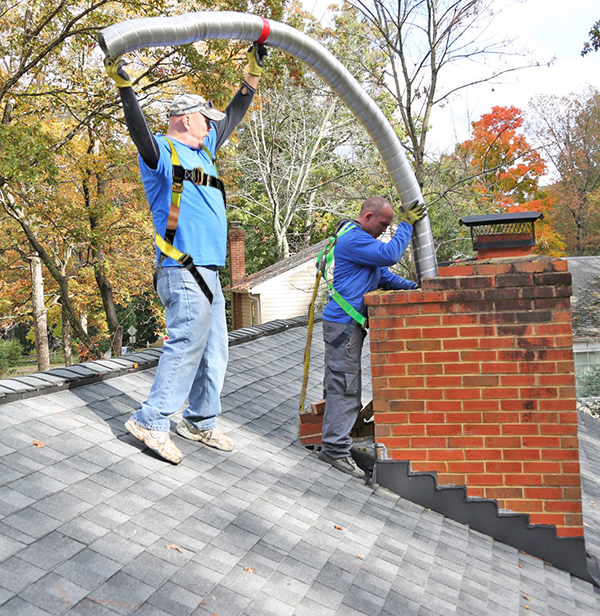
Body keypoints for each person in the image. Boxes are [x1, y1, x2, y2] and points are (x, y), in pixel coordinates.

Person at [104, 43, 268, 464]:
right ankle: (152, 420)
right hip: (182, 267)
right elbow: (139, 130)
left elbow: (233, 113)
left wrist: (252, 72)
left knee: (215, 351)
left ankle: (200, 420)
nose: (212, 127)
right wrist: (125, 87)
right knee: (186, 344)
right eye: (205, 121)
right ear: (188, 119)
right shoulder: (162, 152)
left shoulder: (205, 151)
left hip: (208, 271)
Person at [318, 196, 426, 477]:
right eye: (383, 224)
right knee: (345, 387)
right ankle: (334, 450)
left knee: (343, 384)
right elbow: (391, 254)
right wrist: (406, 226)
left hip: (345, 326)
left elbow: (385, 277)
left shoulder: (363, 244)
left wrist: (418, 289)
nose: (385, 230)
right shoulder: (354, 240)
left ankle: (335, 441)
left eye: (390, 226)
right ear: (367, 217)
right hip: (343, 326)